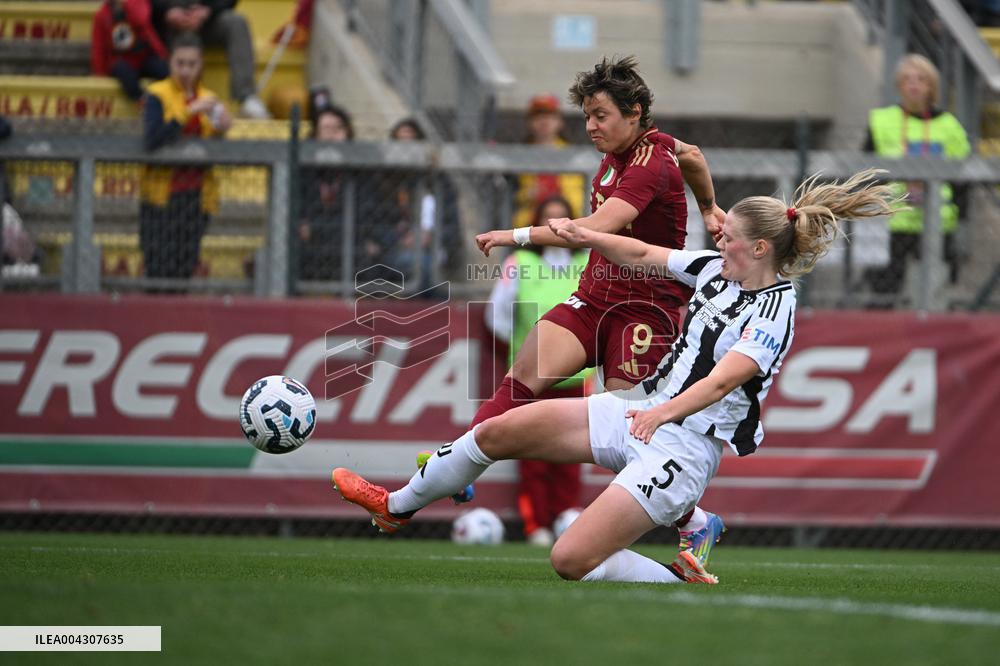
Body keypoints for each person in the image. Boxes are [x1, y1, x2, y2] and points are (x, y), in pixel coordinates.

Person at [331, 169, 899, 584]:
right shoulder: (712, 272)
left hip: (681, 447)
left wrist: (661, 412)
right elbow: (644, 251)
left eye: (728, 238)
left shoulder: (777, 309)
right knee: (497, 431)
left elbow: (725, 381)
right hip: (640, 414)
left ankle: (680, 582)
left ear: (758, 247)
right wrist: (587, 236)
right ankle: (396, 506)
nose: (716, 241)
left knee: (569, 560)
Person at [467, 56, 725, 541]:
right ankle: (455, 460)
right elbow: (693, 155)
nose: (589, 126)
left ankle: (693, 519)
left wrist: (515, 233)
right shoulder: (623, 154)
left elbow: (596, 230)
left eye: (600, 115)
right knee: (524, 375)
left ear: (635, 111)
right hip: (597, 297)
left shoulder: (650, 161)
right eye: (586, 115)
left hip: (647, 310)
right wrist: (709, 209)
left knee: (629, 433)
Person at [486, 195, 593, 546]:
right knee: (532, 454)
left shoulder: (589, 262)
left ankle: (566, 516)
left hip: (575, 377)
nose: (555, 228)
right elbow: (497, 317)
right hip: (531, 378)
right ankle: (537, 525)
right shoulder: (519, 262)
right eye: (547, 221)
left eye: (562, 221)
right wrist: (525, 352)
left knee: (573, 453)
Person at [864, 53, 971, 305]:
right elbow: (865, 171)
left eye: (921, 79)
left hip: (936, 221)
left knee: (934, 292)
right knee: (883, 292)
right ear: (899, 85)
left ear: (931, 86)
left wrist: (962, 218)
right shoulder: (882, 120)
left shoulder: (949, 125)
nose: (913, 85)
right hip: (892, 219)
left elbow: (963, 179)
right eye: (907, 79)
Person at [140, 32, 231, 284]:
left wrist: (222, 126)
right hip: (160, 198)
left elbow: (216, 143)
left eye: (192, 64)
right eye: (180, 63)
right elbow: (153, 138)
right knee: (157, 266)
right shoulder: (156, 94)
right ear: (170, 62)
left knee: (186, 265)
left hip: (196, 196)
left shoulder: (209, 99)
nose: (185, 70)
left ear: (201, 65)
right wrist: (189, 111)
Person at [151, 0, 270, 118]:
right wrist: (166, 11)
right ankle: (172, 99)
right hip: (168, 24)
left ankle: (246, 97)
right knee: (181, 39)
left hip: (209, 20)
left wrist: (208, 9)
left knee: (237, 23)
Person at [510, 94, 586, 230]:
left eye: (550, 116)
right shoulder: (517, 156)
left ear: (560, 122)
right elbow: (507, 197)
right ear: (529, 122)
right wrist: (526, 194)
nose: (544, 121)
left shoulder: (573, 155)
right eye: (538, 116)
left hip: (569, 221)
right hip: (529, 223)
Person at [298, 105, 353, 282]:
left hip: (348, 241)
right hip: (310, 244)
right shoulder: (302, 170)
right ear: (315, 134)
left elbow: (366, 215)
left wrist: (316, 228)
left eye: (338, 129)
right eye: (326, 129)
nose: (332, 135)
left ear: (347, 133)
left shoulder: (360, 171)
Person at [91, 0, 169, 102]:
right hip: (121, 61)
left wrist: (162, 54)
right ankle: (141, 100)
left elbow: (146, 29)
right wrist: (100, 74)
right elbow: (98, 47)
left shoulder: (135, 6)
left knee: (163, 70)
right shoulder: (101, 16)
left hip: (142, 58)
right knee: (126, 74)